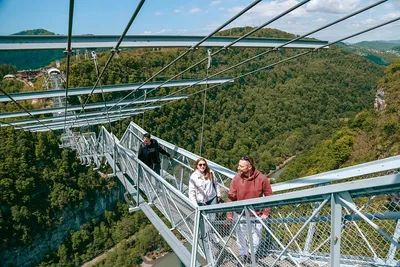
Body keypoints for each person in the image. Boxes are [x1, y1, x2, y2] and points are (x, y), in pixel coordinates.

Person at [226, 155, 273, 264]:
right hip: (240, 214)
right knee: (240, 238)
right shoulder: (236, 179)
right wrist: (229, 214)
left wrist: (266, 213)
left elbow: (270, 196)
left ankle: (251, 255)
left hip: (256, 215)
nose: (238, 168)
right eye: (239, 165)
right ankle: (243, 255)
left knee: (256, 239)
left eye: (241, 166)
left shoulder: (262, 178)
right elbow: (231, 197)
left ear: (249, 167)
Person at [189, 158, 221, 244]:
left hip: (212, 198)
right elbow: (191, 193)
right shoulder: (193, 177)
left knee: (213, 218)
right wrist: (195, 205)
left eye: (204, 164)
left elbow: (216, 184)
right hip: (201, 201)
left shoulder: (210, 173)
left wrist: (218, 194)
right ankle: (203, 234)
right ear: (197, 166)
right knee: (203, 218)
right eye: (200, 165)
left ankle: (212, 233)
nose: (202, 166)